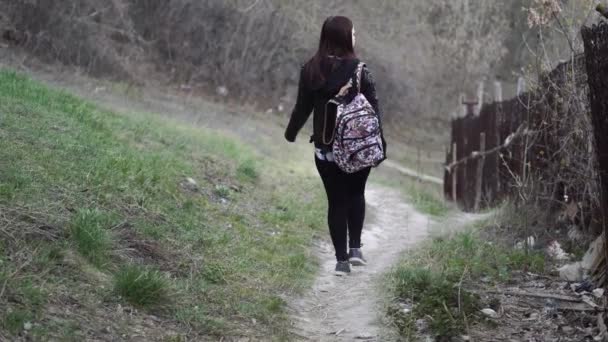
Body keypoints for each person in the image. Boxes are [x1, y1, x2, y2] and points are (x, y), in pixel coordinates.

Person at [284, 16, 385, 276]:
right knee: (356, 194)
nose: (355, 36)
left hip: (325, 149)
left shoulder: (310, 69)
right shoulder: (360, 69)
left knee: (336, 202)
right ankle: (355, 250)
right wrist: (379, 145)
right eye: (353, 32)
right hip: (356, 149)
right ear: (345, 37)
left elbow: (302, 108)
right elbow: (373, 111)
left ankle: (341, 262)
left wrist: (291, 133)